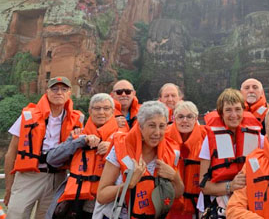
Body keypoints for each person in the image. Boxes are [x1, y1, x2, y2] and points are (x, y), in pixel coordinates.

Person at [4, 77, 84, 219]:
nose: (59, 92)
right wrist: (9, 188)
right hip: (29, 176)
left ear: (69, 93)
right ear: (47, 92)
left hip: (57, 178)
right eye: (54, 89)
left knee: (47, 216)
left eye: (63, 89)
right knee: (16, 215)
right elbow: (11, 153)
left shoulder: (77, 120)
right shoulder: (28, 116)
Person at [97, 101, 184, 219]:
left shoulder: (171, 152)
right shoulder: (119, 149)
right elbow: (101, 196)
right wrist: (127, 185)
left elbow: (178, 193)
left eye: (162, 126)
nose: (157, 132)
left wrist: (175, 177)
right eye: (152, 125)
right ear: (140, 127)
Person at [45, 93, 119, 218]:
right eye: (97, 108)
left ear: (112, 111)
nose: (101, 112)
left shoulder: (122, 137)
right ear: (90, 111)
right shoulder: (78, 135)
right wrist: (81, 141)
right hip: (77, 201)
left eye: (106, 108)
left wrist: (112, 148)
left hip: (107, 201)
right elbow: (51, 159)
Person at [198, 88, 263, 217]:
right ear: (221, 114)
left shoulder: (259, 138)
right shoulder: (210, 140)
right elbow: (204, 186)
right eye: (228, 110)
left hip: (245, 204)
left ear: (243, 111)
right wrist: (231, 186)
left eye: (238, 109)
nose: (234, 114)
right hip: (215, 205)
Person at [165, 101, 207, 219]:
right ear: (173, 118)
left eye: (189, 117)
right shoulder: (163, 136)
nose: (185, 120)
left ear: (196, 119)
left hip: (196, 208)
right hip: (169, 207)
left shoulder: (207, 137)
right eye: (180, 117)